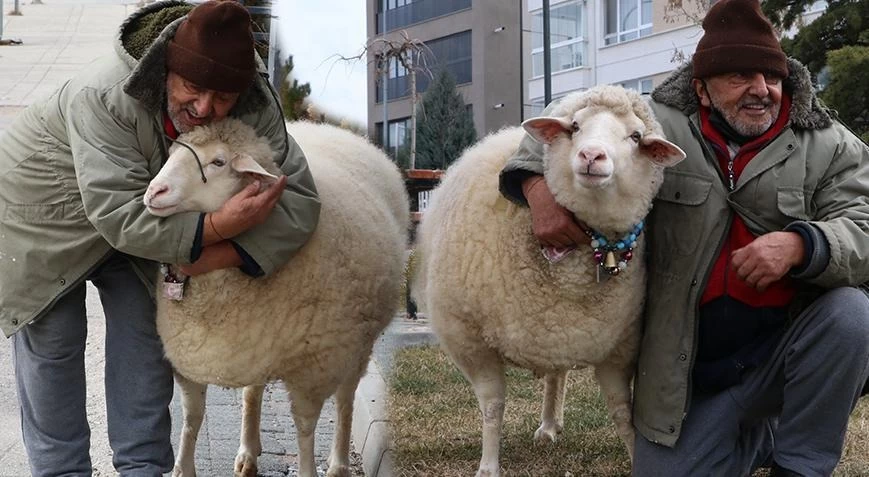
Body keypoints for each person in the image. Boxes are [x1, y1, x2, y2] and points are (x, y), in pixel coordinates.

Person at [499, 0, 869, 475]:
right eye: (740, 77)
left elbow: (864, 223)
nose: (761, 91)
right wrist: (536, 189)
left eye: (772, 78)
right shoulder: (654, 125)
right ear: (702, 89)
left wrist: (803, 244)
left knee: (852, 315)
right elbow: (568, 114)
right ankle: (755, 438)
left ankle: (798, 462)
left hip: (784, 352)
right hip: (689, 373)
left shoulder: (828, 143)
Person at [0, 1, 320, 475]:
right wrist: (216, 228)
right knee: (55, 346)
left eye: (222, 97)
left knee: (146, 340)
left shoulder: (251, 93)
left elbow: (300, 201)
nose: (206, 108)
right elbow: (115, 213)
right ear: (166, 66)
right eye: (192, 87)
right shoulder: (104, 93)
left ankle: (143, 468)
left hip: (149, 210)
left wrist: (213, 256)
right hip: (43, 212)